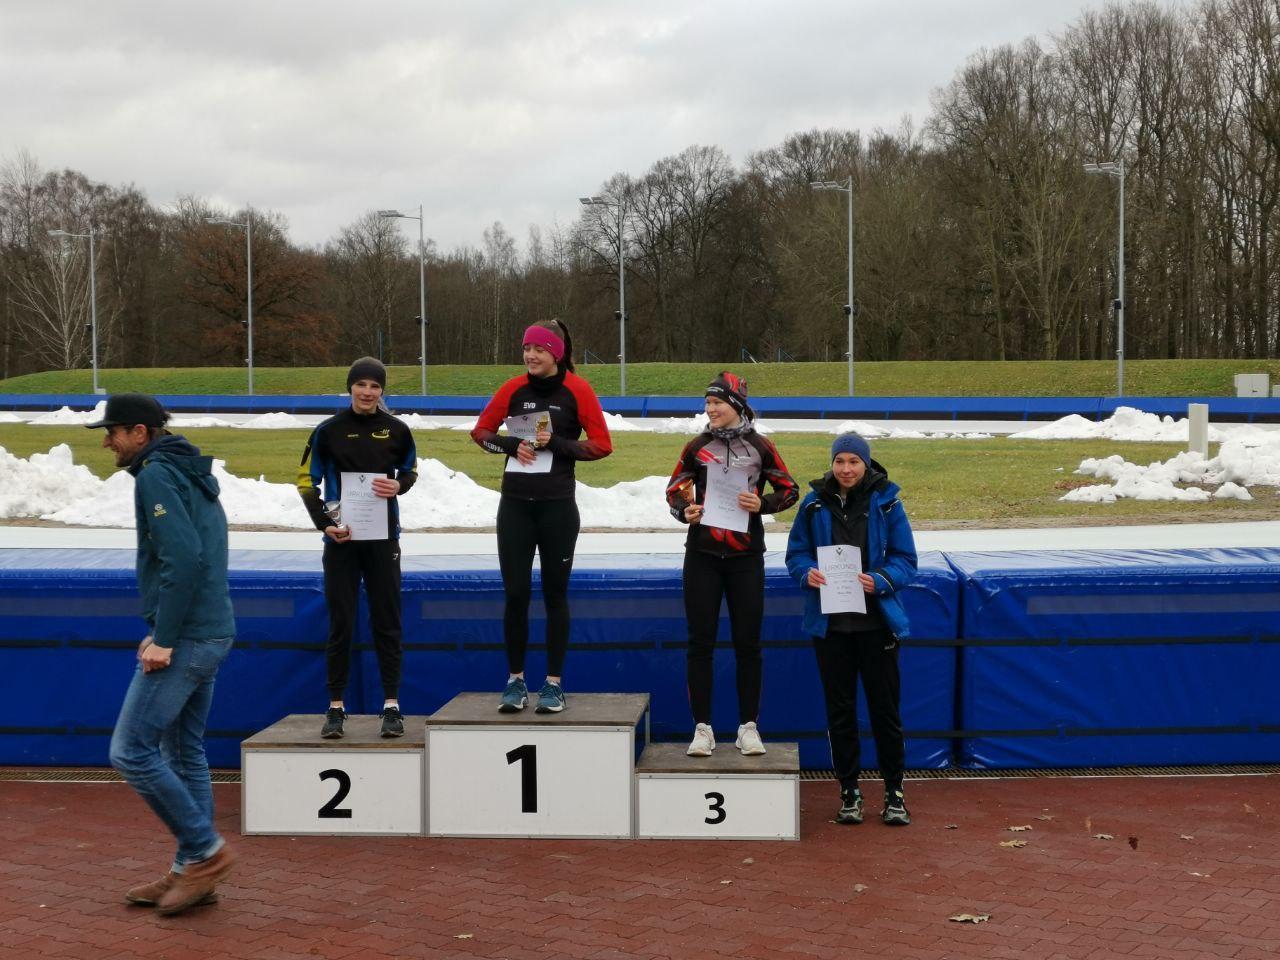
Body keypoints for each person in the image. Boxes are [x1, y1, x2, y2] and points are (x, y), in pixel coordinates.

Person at [91, 393, 237, 915]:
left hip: (191, 637)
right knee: (184, 752)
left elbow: (184, 558)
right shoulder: (186, 469)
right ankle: (189, 871)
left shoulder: (156, 475)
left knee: (130, 751)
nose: (107, 442)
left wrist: (166, 637)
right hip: (210, 630)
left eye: (112, 432)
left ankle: (206, 853)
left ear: (140, 432)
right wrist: (162, 628)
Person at [471, 319, 612, 713]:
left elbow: (602, 445)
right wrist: (510, 445)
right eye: (526, 349)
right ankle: (515, 681)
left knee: (554, 594)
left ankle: (553, 684)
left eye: (538, 349)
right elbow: (481, 432)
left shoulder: (577, 390)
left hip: (557, 507)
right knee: (516, 594)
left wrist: (558, 444)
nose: (530, 356)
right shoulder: (513, 388)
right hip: (515, 506)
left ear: (556, 353)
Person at [785, 432, 918, 826]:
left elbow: (906, 559)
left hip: (877, 626)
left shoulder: (888, 501)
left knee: (885, 713)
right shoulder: (813, 504)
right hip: (831, 628)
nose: (846, 469)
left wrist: (881, 580)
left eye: (854, 461)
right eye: (840, 461)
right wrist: (805, 572)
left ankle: (894, 793)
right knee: (840, 714)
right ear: (832, 463)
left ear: (866, 464)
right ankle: (849, 792)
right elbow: (796, 553)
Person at [665, 372, 798, 757]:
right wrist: (684, 510)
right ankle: (702, 728)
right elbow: (674, 490)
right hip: (702, 556)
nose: (709, 409)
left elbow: (790, 490)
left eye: (717, 402)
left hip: (745, 558)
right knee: (700, 643)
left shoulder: (761, 446)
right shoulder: (697, 446)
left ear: (737, 405)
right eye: (707, 403)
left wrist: (763, 504)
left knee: (748, 644)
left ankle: (748, 727)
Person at [297, 357, 418, 739]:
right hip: (343, 540)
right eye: (361, 384)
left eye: (375, 386)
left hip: (383, 539)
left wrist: (400, 486)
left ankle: (392, 706)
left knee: (387, 622)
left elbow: (410, 471)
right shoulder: (328, 431)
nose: (367, 392)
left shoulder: (397, 430)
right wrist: (325, 524)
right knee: (341, 623)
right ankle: (336, 707)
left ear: (382, 391)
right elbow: (306, 482)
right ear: (350, 387)